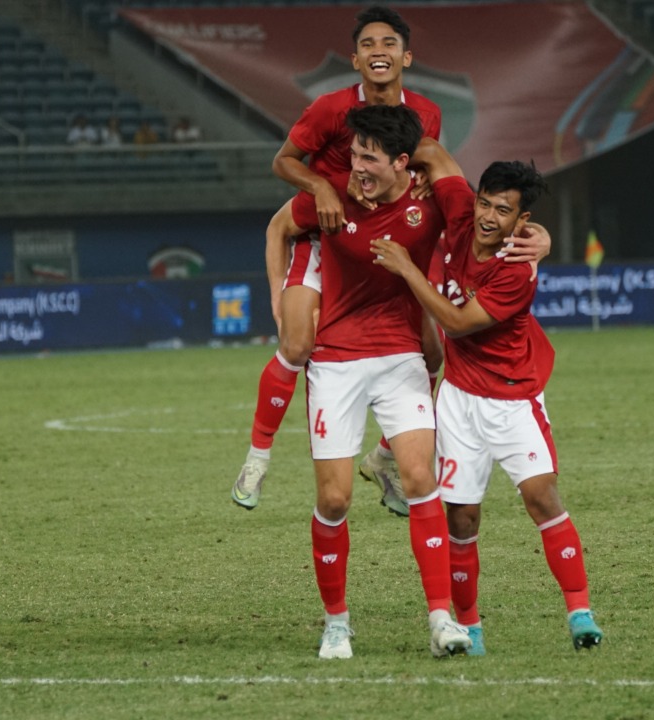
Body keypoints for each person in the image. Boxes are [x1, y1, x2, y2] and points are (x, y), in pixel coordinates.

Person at [370, 140, 604, 655]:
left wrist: (408, 268)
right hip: (457, 400)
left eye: (504, 209)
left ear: (524, 220)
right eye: (484, 202)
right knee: (462, 519)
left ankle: (580, 612)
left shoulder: (517, 265)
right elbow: (432, 150)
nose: (488, 216)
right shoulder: (459, 214)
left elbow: (456, 322)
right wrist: (397, 162)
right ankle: (470, 628)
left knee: (541, 497)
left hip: (513, 399)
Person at [269, 104, 471, 659]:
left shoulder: (425, 208)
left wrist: (538, 238)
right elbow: (279, 227)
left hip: (400, 357)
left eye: (369, 157)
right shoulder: (329, 196)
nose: (356, 166)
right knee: (333, 500)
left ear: (403, 163)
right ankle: (337, 622)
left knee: (418, 477)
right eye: (354, 153)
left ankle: (440, 619)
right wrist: (278, 297)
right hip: (334, 362)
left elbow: (480, 221)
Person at [232, 5, 444, 515]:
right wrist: (322, 185)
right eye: (368, 45)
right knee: (298, 343)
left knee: (434, 354)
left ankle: (383, 458)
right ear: (354, 59)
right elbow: (283, 165)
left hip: (384, 243)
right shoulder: (329, 109)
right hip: (328, 233)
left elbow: (431, 173)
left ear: (406, 56)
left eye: (388, 44)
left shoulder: (426, 115)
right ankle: (257, 458)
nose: (378, 52)